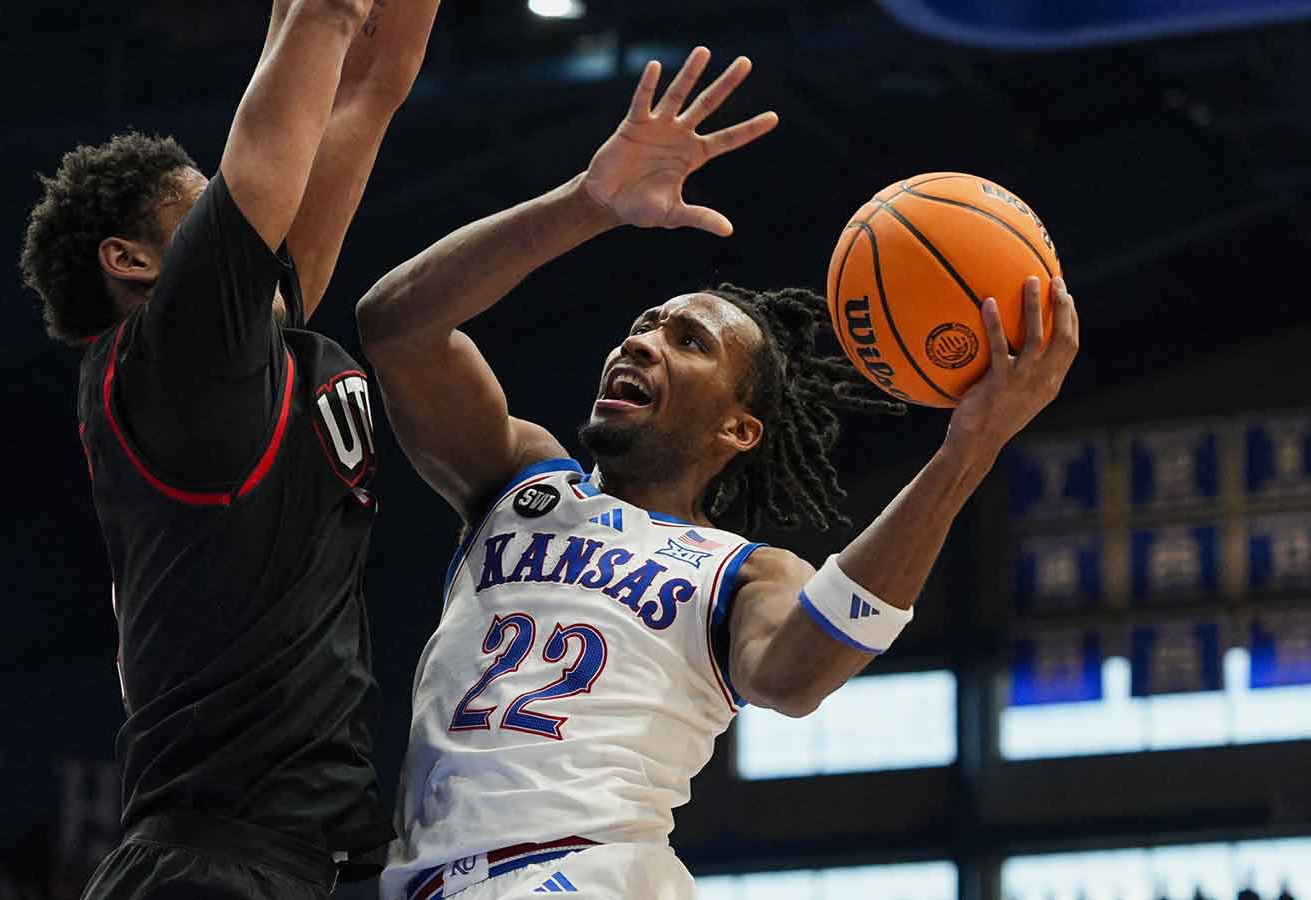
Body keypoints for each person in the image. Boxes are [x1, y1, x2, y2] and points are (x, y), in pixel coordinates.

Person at [357, 48, 1080, 900]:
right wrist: (585, 204)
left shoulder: (742, 572)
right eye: (644, 325)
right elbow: (397, 326)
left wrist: (968, 452)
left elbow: (794, 677)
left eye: (686, 341)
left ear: (739, 427)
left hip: (586, 875)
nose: (642, 340)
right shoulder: (520, 481)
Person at [17, 1, 442, 896]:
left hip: (256, 861)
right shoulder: (175, 356)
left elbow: (373, 81)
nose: (241, 199)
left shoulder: (238, 355)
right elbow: (329, 17)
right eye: (204, 200)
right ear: (132, 262)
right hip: (212, 864)